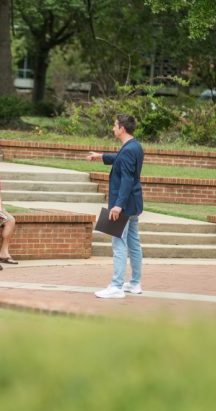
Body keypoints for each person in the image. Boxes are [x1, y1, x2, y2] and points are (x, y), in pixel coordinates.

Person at [87, 113, 144, 299]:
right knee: (134, 244)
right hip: (133, 204)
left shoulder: (128, 150)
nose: (113, 128)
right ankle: (135, 283)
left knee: (118, 244)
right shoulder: (134, 146)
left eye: (115, 125)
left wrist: (118, 205)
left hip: (123, 205)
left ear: (122, 128)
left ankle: (117, 286)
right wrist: (101, 156)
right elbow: (120, 159)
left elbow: (127, 179)